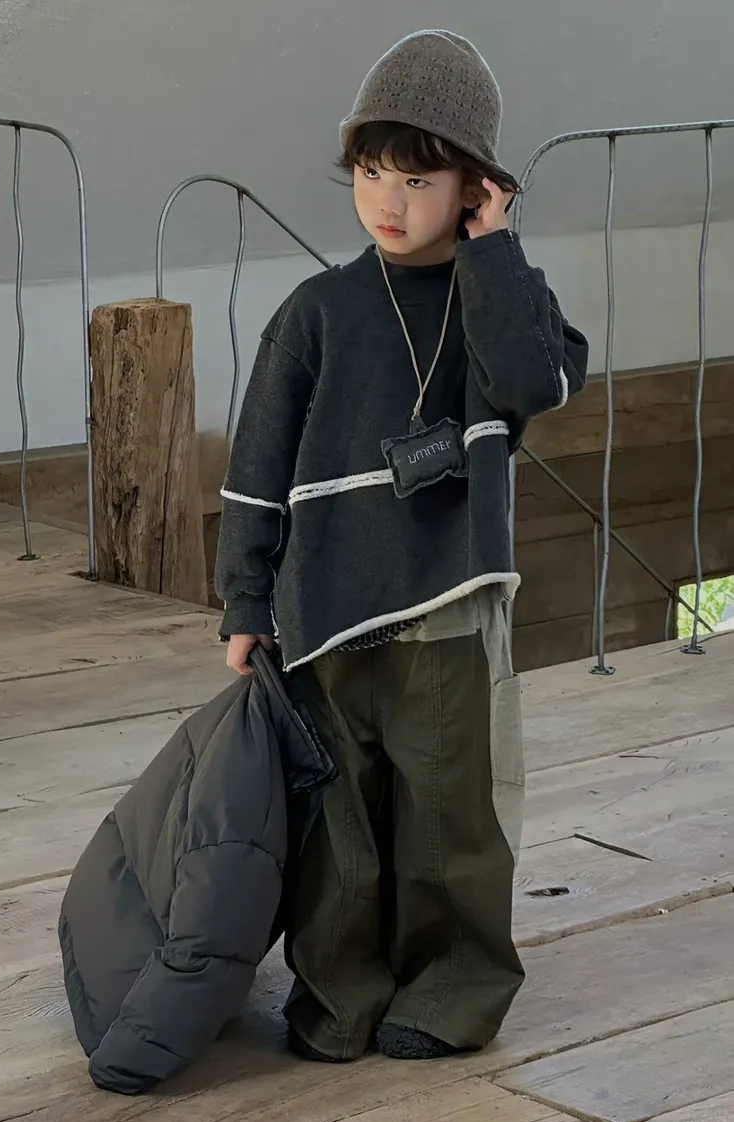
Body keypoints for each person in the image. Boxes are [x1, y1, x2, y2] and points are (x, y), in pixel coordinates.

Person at [214, 29, 589, 1063]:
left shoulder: (498, 295)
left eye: (419, 180)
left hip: (444, 608)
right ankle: (338, 996)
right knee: (336, 828)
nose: (388, 199)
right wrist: (245, 601)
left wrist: (494, 250)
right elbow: (255, 469)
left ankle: (450, 991)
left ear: (475, 187)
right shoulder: (316, 313)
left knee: (449, 820)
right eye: (372, 172)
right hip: (326, 614)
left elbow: (535, 382)